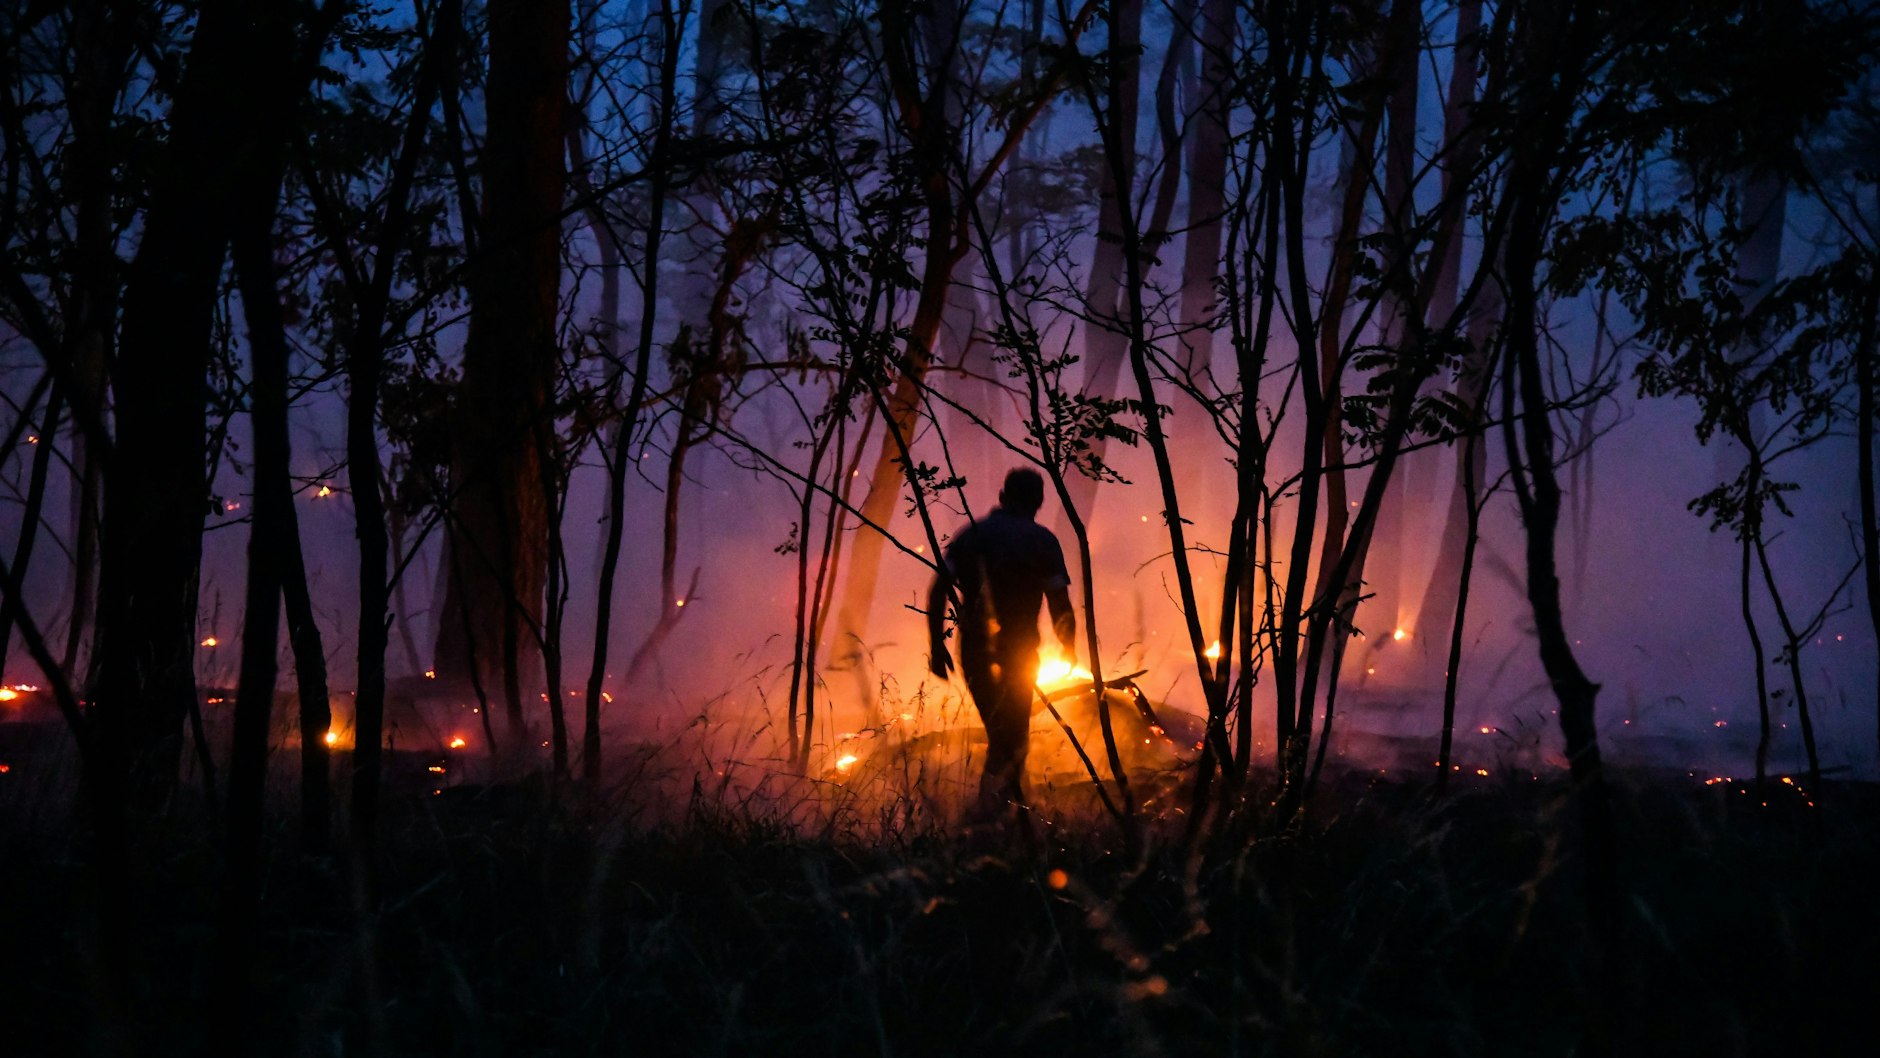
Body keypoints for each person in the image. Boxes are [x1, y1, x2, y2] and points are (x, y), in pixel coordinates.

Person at [927, 467, 1077, 818]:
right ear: (1038, 501)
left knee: (1001, 733)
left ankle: (997, 813)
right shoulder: (1042, 541)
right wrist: (1068, 646)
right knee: (1011, 734)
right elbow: (1059, 601)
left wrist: (937, 645)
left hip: (975, 651)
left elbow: (938, 590)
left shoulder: (972, 536)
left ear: (1002, 496)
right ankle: (999, 815)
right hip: (1021, 652)